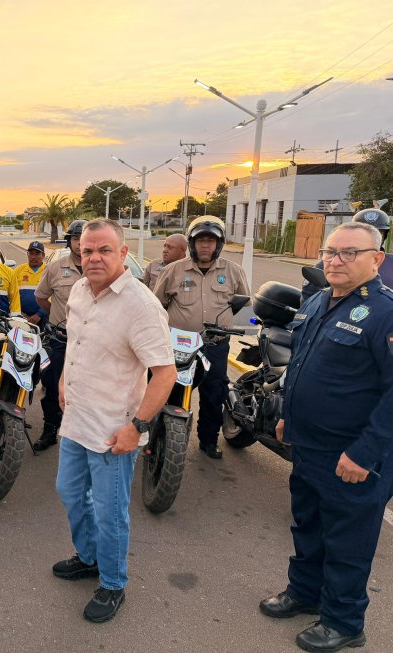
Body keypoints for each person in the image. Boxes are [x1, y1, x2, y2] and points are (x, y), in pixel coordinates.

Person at [260, 222, 393, 653]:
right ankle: (305, 593)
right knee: (309, 525)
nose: (335, 260)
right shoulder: (319, 299)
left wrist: (365, 452)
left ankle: (344, 621)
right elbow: (300, 363)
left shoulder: (385, 312)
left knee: (347, 541)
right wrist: (287, 418)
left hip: (353, 455)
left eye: (349, 253)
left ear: (377, 258)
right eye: (330, 251)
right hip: (309, 444)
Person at [52, 218, 176, 624]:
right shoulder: (78, 291)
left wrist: (136, 428)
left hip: (113, 431)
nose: (94, 258)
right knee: (69, 492)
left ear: (123, 254)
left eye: (104, 250)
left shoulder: (140, 305)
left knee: (110, 512)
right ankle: (89, 557)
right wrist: (64, 377)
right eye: (87, 250)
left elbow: (165, 373)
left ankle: (112, 583)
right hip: (76, 420)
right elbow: (78, 340)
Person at [153, 216, 250, 459]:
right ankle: (162, 438)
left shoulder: (233, 271)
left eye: (210, 241)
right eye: (200, 241)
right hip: (179, 345)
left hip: (215, 345)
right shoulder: (173, 270)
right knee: (172, 390)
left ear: (219, 244)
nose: (205, 246)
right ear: (192, 243)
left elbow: (241, 303)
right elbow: (157, 306)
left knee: (213, 394)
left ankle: (208, 440)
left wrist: (222, 324)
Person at [32, 219, 86, 451]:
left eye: (84, 239)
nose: (80, 244)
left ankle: (84, 434)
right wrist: (57, 316)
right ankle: (51, 428)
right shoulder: (56, 268)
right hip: (59, 337)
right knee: (52, 385)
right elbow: (42, 297)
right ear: (69, 241)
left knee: (89, 387)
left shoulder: (103, 267)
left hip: (93, 342)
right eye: (76, 239)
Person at [301, 208, 393, 303]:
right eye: (362, 232)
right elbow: (309, 299)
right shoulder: (330, 263)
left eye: (377, 233)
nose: (336, 263)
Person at [12, 241, 48, 326]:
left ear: (43, 255)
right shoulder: (18, 270)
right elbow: (12, 294)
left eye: (37, 254)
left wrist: (39, 314)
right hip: (22, 317)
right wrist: (20, 312)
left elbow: (53, 297)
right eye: (31, 254)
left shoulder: (49, 270)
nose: (33, 257)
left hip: (44, 317)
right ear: (27, 254)